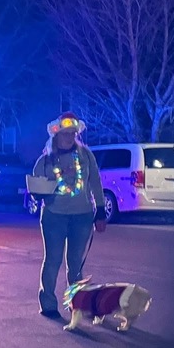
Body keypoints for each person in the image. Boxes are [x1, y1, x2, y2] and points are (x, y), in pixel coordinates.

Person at [31, 112, 106, 320]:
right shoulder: (46, 159)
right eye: (65, 133)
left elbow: (95, 182)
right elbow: (35, 186)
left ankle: (77, 303)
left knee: (75, 263)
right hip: (54, 216)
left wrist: (100, 210)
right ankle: (48, 303)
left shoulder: (85, 155)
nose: (69, 137)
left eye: (73, 133)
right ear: (57, 134)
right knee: (53, 260)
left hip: (82, 216)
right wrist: (38, 193)